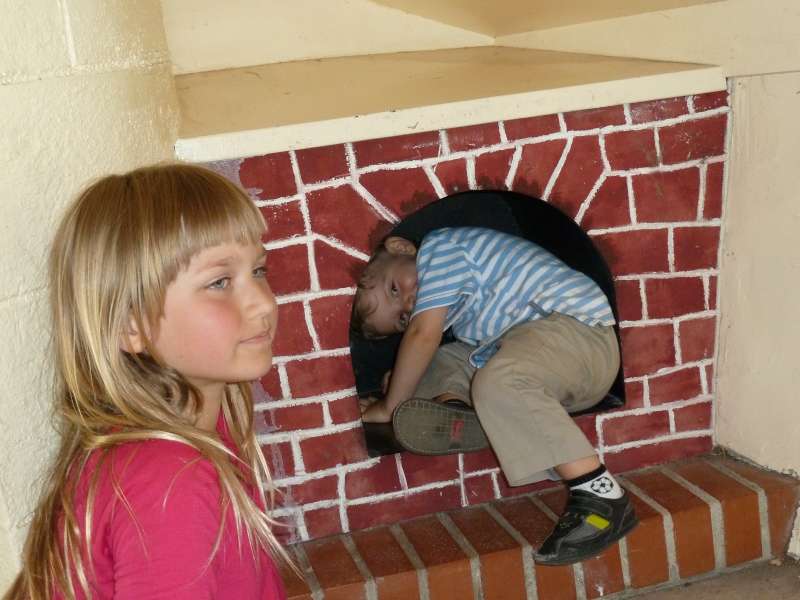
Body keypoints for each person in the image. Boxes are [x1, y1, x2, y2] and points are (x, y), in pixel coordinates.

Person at [3, 164, 288, 599]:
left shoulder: (206, 423)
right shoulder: (170, 483)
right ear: (130, 326)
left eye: (259, 271)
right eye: (219, 282)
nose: (263, 304)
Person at [353, 226, 638, 565]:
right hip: (543, 366)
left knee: (497, 379)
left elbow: (422, 335)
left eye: (394, 288)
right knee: (440, 363)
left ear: (401, 247)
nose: (409, 304)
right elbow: (427, 345)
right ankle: (457, 408)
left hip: (580, 338)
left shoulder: (439, 249)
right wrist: (403, 380)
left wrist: (391, 405)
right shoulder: (461, 312)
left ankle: (600, 496)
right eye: (402, 317)